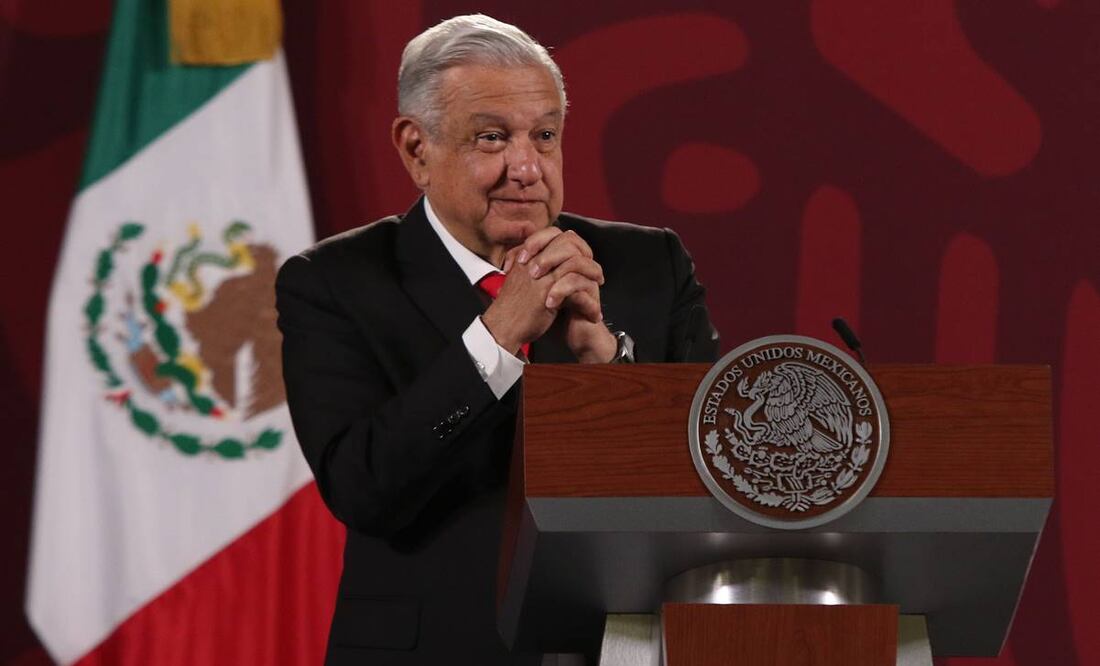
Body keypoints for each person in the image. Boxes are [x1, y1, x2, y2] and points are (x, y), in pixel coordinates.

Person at [275, 14, 719, 665]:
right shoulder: (335, 283)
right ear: (415, 149)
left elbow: (717, 473)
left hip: (622, 650)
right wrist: (498, 337)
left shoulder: (649, 265)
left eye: (545, 135)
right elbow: (365, 487)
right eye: (492, 138)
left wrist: (610, 365)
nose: (527, 167)